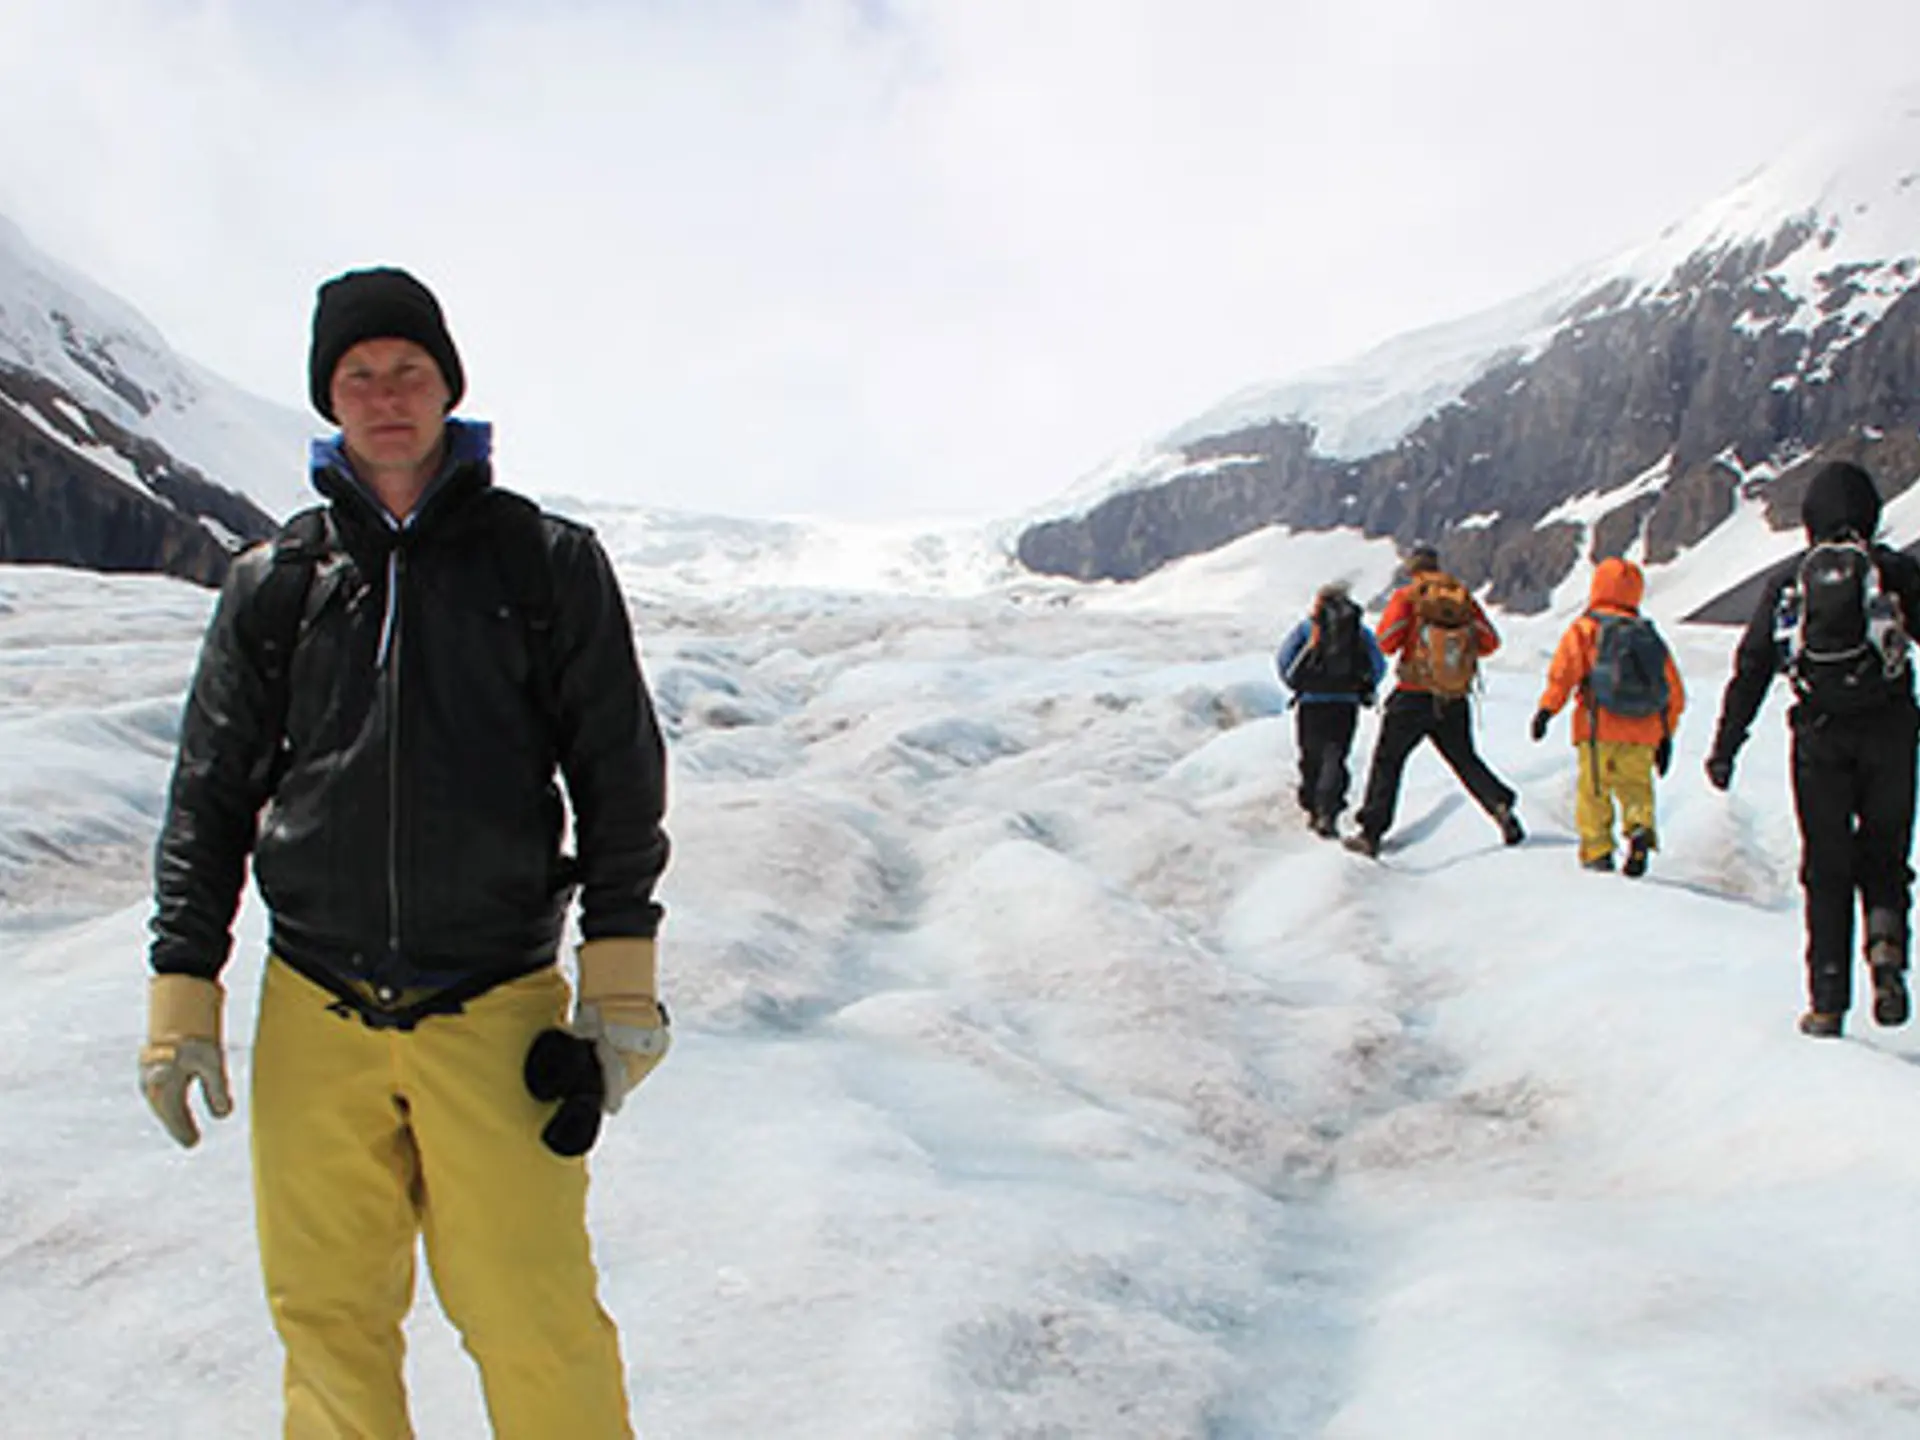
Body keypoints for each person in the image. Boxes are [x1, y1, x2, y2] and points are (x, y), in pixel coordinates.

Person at [140, 266, 670, 1436]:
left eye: (408, 371)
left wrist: (619, 975)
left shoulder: (543, 563)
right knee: (326, 1320)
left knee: (533, 1316)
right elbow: (210, 796)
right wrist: (184, 989)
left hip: (495, 1004)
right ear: (331, 400)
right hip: (314, 1008)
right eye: (358, 376)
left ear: (448, 387)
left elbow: (619, 780)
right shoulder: (277, 583)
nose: (386, 395)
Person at [1705, 459, 1920, 1039]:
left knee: (1826, 869)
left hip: (1819, 740)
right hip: (1892, 734)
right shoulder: (1894, 572)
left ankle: (1827, 1002)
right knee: (1884, 855)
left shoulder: (1791, 582)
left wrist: (1726, 746)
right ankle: (1886, 949)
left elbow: (1752, 667)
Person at [1346, 543, 1524, 857]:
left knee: (1388, 761)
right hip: (1453, 697)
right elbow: (1490, 642)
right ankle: (1499, 807)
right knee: (1465, 758)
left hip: (1412, 695)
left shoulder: (1407, 596)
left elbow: (1386, 642)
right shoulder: (1461, 596)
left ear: (1412, 569)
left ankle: (1371, 832)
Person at [1530, 556, 1686, 875]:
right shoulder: (1648, 637)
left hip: (1597, 726)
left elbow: (1565, 672)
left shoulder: (1587, 628)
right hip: (1643, 731)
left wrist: (1547, 709)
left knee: (1594, 791)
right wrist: (1665, 735)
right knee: (1636, 787)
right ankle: (1639, 830)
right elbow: (1674, 691)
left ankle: (1598, 850)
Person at [1276, 579, 1388, 837]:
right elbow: (1377, 663)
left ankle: (1313, 806)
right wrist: (1363, 687)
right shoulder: (1357, 630)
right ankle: (1329, 810)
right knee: (1335, 754)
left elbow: (1285, 660)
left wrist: (1298, 685)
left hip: (1311, 702)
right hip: (1345, 703)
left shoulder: (1308, 628)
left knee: (1311, 754)